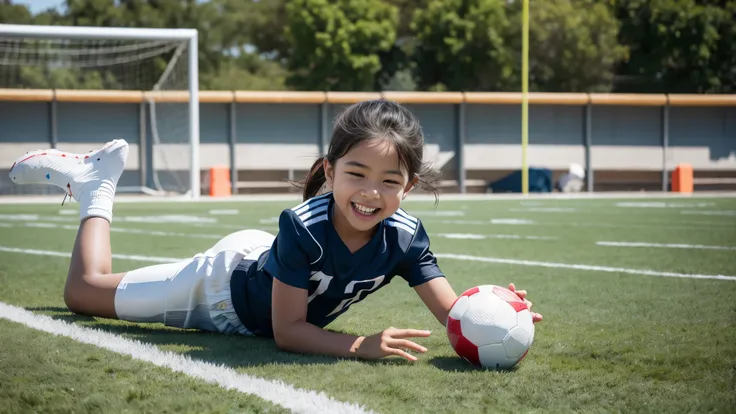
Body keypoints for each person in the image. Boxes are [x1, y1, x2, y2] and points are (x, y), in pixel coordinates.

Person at [8, 100, 542, 362]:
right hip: (219, 290)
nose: (370, 193)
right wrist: (360, 345)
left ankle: (97, 187)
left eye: (389, 181)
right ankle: (98, 185)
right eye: (356, 174)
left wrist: (493, 310)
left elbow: (453, 316)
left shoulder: (404, 235)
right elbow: (286, 333)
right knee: (82, 293)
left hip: (263, 286)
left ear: (409, 187)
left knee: (99, 291)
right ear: (329, 171)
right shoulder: (301, 226)